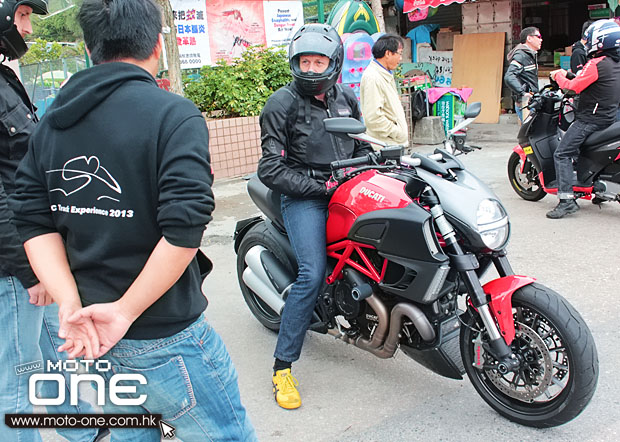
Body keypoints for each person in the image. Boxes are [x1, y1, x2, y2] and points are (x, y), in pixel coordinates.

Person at [9, 0, 256, 440]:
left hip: (91, 337)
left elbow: (32, 219)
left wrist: (69, 304)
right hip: (165, 334)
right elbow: (184, 228)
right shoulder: (172, 115)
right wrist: (123, 312)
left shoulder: (51, 124)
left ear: (90, 47)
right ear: (157, 44)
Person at [1, 2, 103, 442]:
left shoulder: (6, 81)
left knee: (57, 350)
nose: (26, 28)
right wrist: (29, 270)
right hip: (13, 266)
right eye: (22, 17)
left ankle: (79, 426)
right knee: (16, 383)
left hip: (30, 254)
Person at [257, 23, 373, 410]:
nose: (309, 69)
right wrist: (317, 188)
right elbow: (270, 169)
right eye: (303, 61)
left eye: (317, 61)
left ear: (333, 62)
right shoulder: (281, 104)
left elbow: (362, 143)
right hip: (304, 195)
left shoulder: (347, 98)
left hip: (348, 188)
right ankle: (282, 369)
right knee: (311, 272)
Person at [547, 19, 620, 219]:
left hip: (590, 119)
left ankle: (566, 200)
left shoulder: (597, 63)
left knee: (562, 153)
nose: (586, 43)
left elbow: (572, 88)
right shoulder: (614, 62)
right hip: (609, 117)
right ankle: (595, 189)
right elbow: (590, 81)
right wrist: (571, 75)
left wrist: (560, 76)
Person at [360, 33, 409, 147]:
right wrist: (398, 133)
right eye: (399, 54)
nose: (400, 58)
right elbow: (374, 118)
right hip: (385, 146)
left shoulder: (384, 74)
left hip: (392, 144)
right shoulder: (373, 77)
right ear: (388, 53)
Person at [504, 27, 543, 123]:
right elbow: (509, 76)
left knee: (533, 135)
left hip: (531, 103)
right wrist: (522, 93)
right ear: (529, 38)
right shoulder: (521, 55)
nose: (541, 39)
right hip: (526, 105)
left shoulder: (530, 54)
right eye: (538, 36)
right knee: (533, 135)